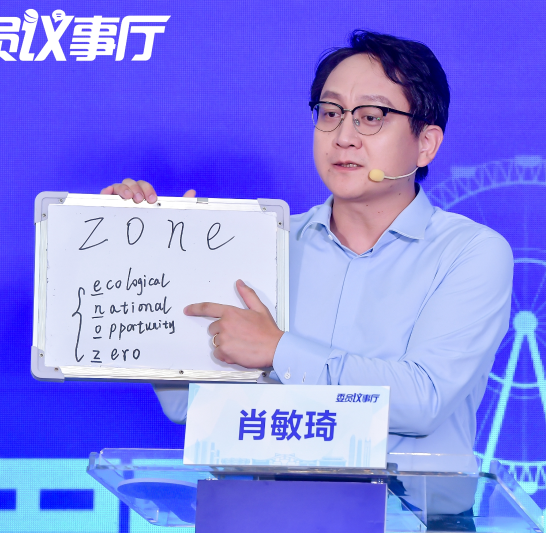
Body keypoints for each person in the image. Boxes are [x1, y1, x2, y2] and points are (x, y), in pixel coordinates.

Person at [102, 30, 512, 523]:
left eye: (371, 117)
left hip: (414, 520)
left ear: (426, 143)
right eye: (330, 112)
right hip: (260, 513)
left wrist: (279, 349)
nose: (344, 136)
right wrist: (146, 265)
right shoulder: (259, 242)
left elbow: (422, 398)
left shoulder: (470, 252)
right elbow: (190, 405)